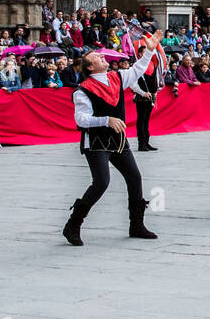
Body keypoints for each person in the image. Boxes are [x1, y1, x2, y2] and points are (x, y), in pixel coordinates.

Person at [61, 30, 164, 247]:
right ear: (90, 67)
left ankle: (136, 225)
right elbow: (81, 119)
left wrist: (150, 50)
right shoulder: (83, 91)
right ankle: (73, 224)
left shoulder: (115, 77)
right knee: (101, 182)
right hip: (97, 142)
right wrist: (106, 120)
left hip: (118, 140)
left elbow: (137, 70)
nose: (102, 57)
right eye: (97, 57)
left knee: (134, 177)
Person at [133, 28, 169, 152]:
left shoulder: (152, 64)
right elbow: (133, 84)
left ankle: (146, 142)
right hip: (142, 96)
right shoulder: (137, 66)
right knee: (141, 119)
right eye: (144, 52)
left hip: (151, 95)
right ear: (139, 54)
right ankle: (141, 143)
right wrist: (143, 92)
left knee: (147, 119)